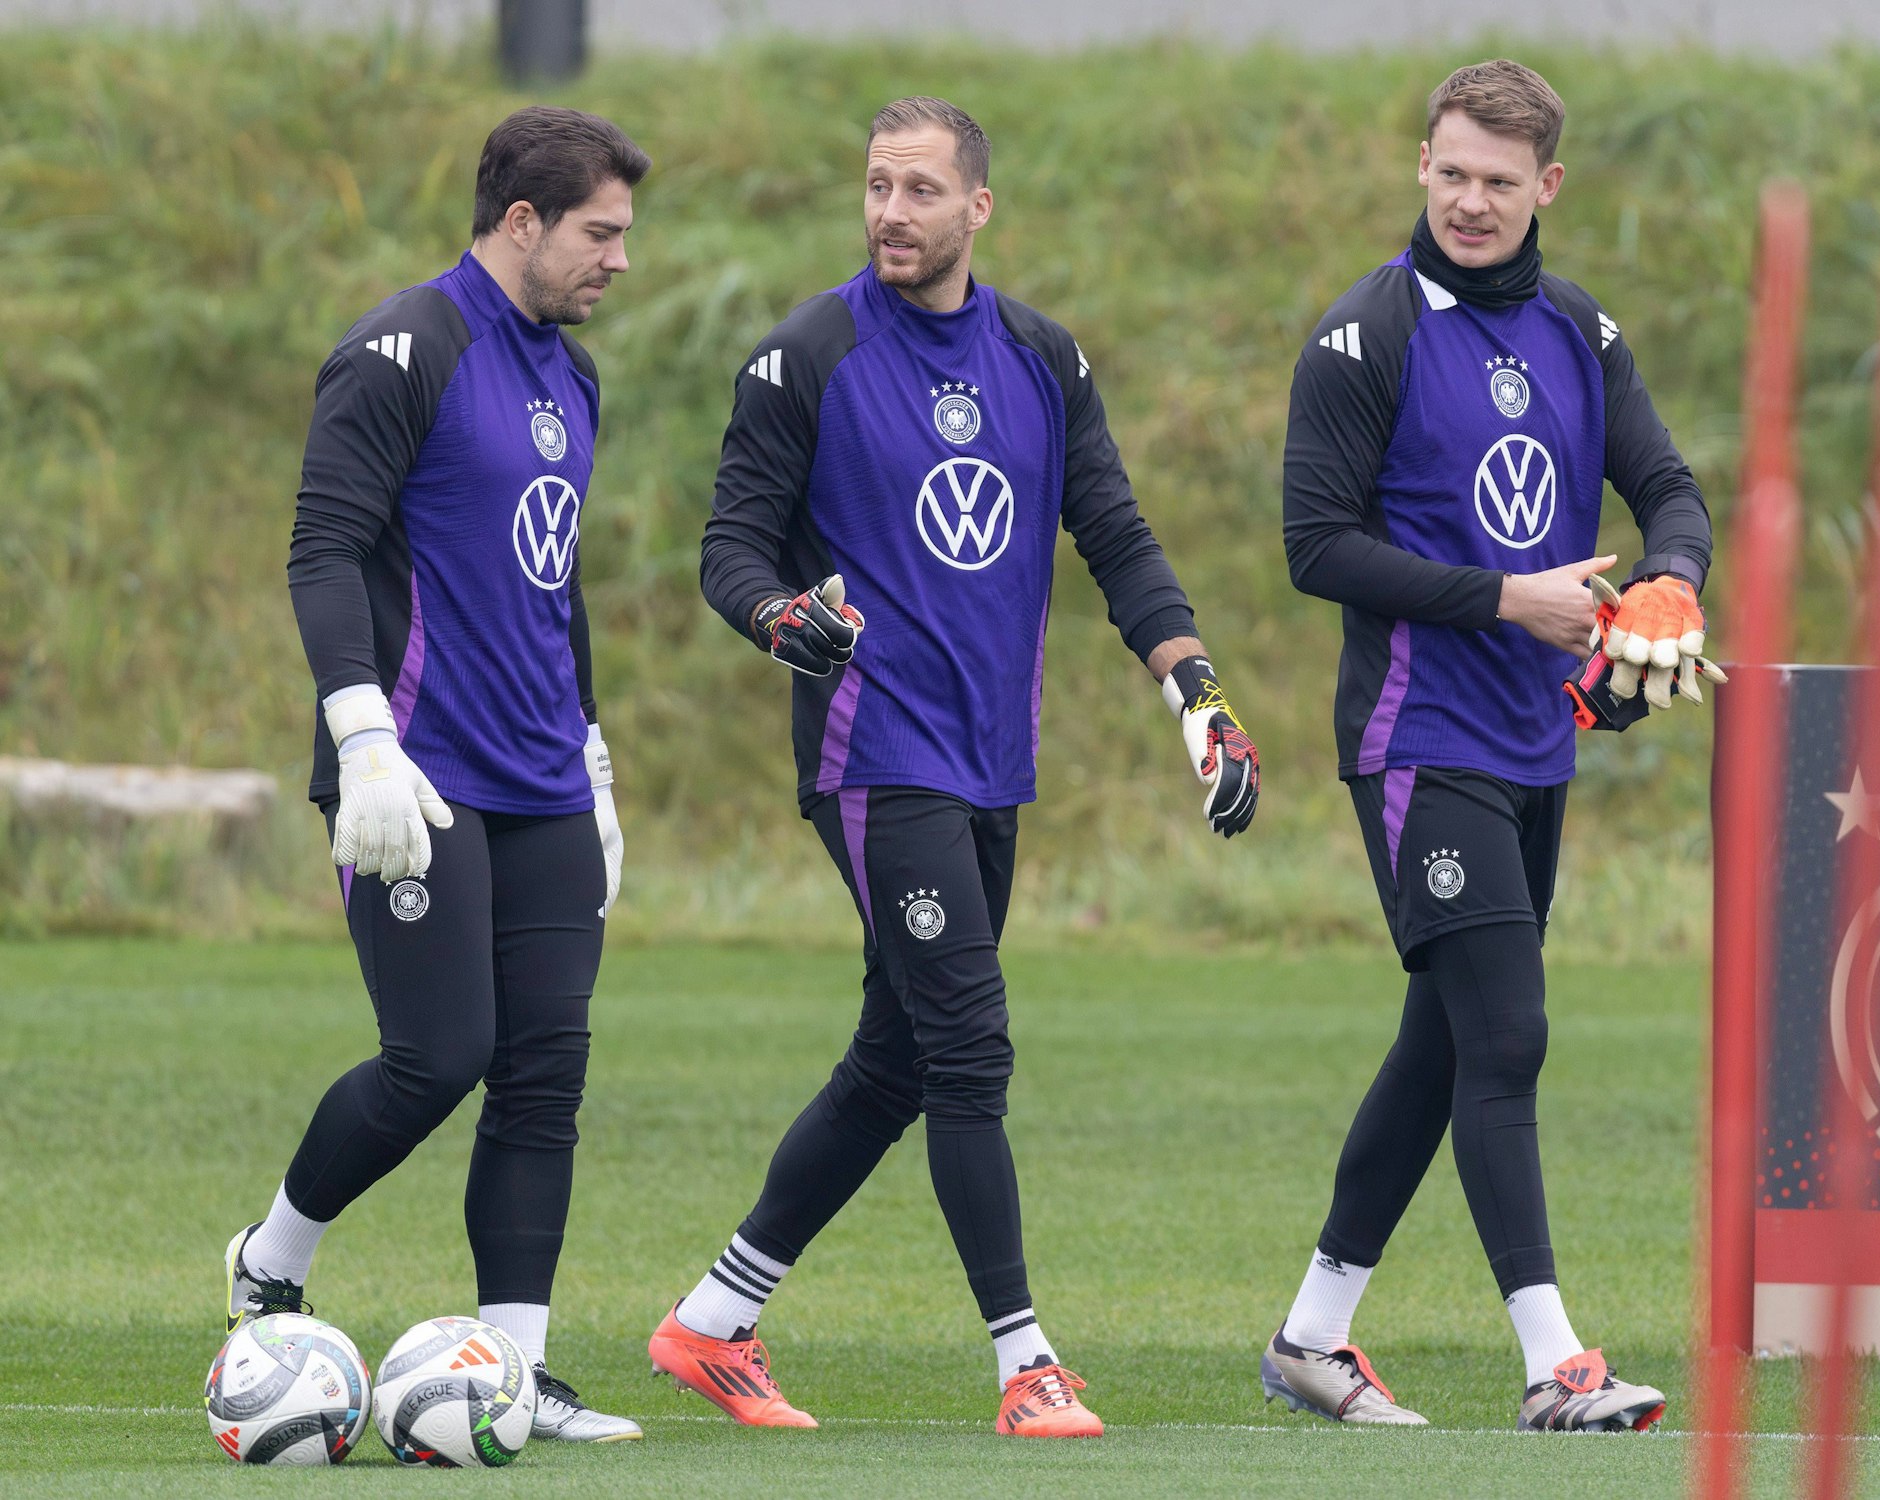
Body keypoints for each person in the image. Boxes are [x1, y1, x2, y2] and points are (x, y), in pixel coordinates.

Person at [649, 95, 1261, 1439]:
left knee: (901, 1056)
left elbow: (1115, 535)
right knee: (971, 1047)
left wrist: (1197, 696)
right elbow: (731, 553)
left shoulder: (1044, 359)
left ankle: (711, 1320)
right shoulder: (803, 355)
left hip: (992, 761)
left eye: (921, 191)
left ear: (978, 208)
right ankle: (1025, 1362)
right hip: (875, 753)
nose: (890, 214)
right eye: (875, 185)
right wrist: (779, 620)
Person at [1268, 58, 1715, 1432]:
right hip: (1417, 741)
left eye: (1500, 182)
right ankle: (1554, 1361)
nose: (1471, 200)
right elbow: (1315, 548)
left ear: (1547, 189)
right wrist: (1506, 600)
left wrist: (1673, 587)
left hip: (1537, 742)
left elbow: (1670, 488)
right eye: (1452, 172)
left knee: (1447, 1047)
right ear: (1422, 165)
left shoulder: (1584, 333)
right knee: (1507, 1035)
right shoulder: (1365, 337)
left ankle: (1310, 1339)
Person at [224, 106, 650, 1444]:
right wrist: (360, 741)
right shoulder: (403, 347)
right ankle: (273, 1257)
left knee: (546, 1071)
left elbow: (553, 579)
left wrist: (591, 756)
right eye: (601, 233)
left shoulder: (572, 379)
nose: (620, 262)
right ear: (521, 222)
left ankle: (515, 1374)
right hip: (417, 776)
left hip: (540, 780)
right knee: (441, 1054)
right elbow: (324, 552)